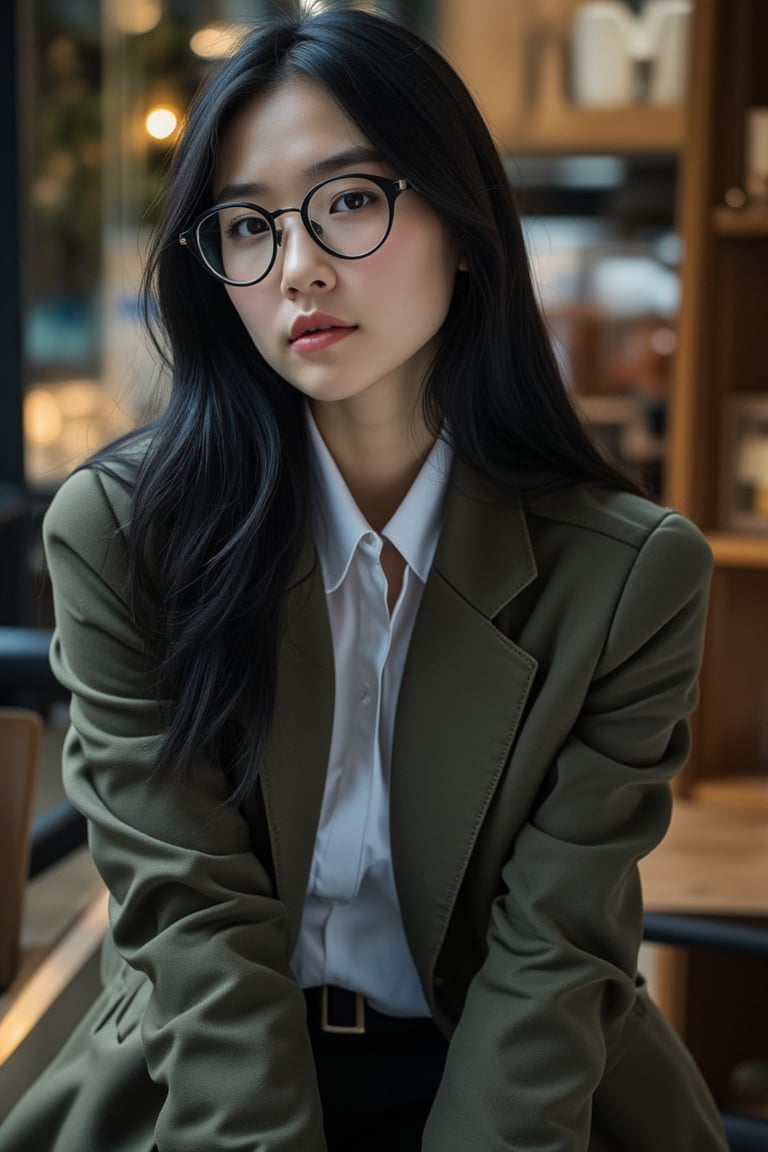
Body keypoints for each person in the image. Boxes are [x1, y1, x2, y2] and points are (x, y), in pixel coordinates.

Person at [0, 7, 728, 1152]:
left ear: (464, 222)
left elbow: (556, 950)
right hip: (205, 1082)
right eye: (246, 225)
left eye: (349, 201)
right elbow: (192, 923)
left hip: (522, 1094)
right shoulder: (122, 534)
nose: (297, 269)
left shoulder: (631, 575)